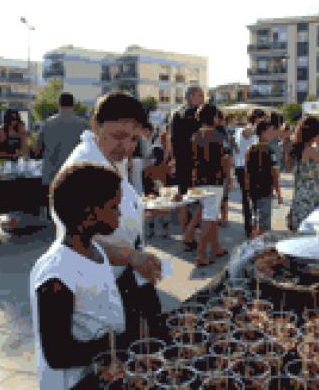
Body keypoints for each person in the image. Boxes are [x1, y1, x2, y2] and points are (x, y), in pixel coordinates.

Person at [59, 92, 164, 339]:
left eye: (134, 139)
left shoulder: (110, 157)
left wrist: (139, 213)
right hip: (103, 281)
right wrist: (132, 256)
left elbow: (108, 210)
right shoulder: (83, 168)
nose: (126, 147)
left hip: (127, 272)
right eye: (118, 136)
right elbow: (76, 241)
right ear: (96, 125)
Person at [30, 164, 131, 389]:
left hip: (103, 373)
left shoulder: (95, 250)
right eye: (114, 207)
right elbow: (57, 354)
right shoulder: (57, 273)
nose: (120, 213)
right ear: (90, 213)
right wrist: (109, 347)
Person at [189, 103, 230, 266]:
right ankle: (200, 254)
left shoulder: (196, 135)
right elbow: (225, 159)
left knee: (210, 216)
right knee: (209, 217)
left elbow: (192, 158)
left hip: (199, 179)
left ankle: (215, 247)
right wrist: (229, 177)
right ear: (213, 117)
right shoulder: (219, 136)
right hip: (215, 180)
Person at [34, 93, 89, 189]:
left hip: (51, 175)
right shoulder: (84, 125)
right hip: (74, 174)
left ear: (58, 104)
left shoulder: (47, 124)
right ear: (73, 105)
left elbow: (37, 149)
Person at [169, 86, 204, 232]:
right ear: (191, 97)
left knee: (185, 195)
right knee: (194, 196)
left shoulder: (176, 113)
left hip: (183, 160)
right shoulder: (192, 114)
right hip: (192, 161)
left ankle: (186, 228)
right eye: (200, 95)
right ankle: (189, 230)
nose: (203, 98)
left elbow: (172, 140)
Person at [245, 121, 283, 236]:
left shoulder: (250, 149)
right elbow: (274, 173)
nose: (272, 134)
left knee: (255, 218)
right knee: (264, 221)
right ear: (262, 133)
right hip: (265, 189)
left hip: (253, 189)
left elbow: (246, 172)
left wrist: (247, 190)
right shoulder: (270, 150)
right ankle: (262, 246)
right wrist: (279, 192)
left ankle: (254, 242)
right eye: (270, 131)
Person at [233, 110, 261, 238]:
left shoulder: (254, 132)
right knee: (248, 197)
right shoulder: (244, 130)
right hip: (243, 167)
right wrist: (257, 126)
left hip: (250, 167)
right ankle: (250, 228)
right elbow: (245, 134)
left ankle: (253, 226)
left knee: (252, 197)